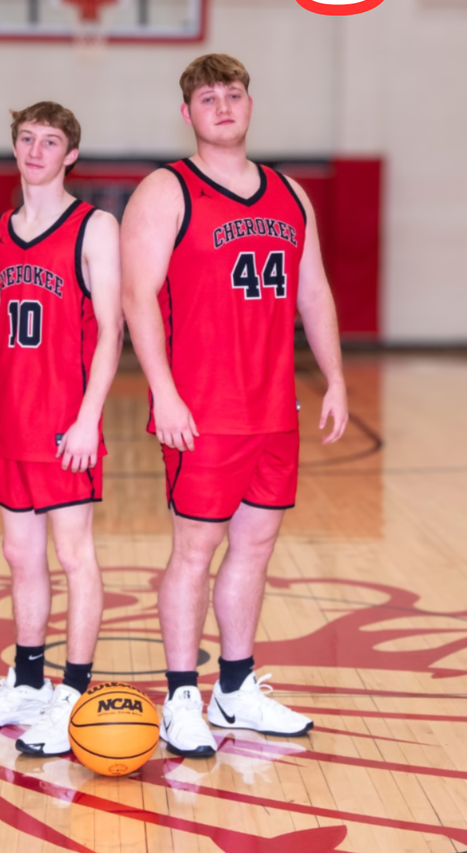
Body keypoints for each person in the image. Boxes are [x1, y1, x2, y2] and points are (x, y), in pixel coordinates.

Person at [121, 54, 348, 757]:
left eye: (234, 94)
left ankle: (236, 690)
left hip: (272, 406)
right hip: (203, 408)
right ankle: (182, 696)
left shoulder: (288, 194)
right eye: (207, 97)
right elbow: (135, 299)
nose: (222, 105)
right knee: (194, 551)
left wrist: (334, 379)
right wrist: (162, 390)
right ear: (186, 114)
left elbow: (312, 291)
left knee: (254, 546)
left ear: (250, 105)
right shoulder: (165, 190)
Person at [0, 102, 123, 756]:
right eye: (26, 138)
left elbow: (111, 329)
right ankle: (26, 686)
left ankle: (72, 697)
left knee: (75, 558)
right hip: (11, 423)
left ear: (70, 155)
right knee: (20, 557)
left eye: (51, 141)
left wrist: (86, 418)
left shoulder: (93, 226)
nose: (36, 150)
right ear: (15, 146)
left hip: (64, 427)